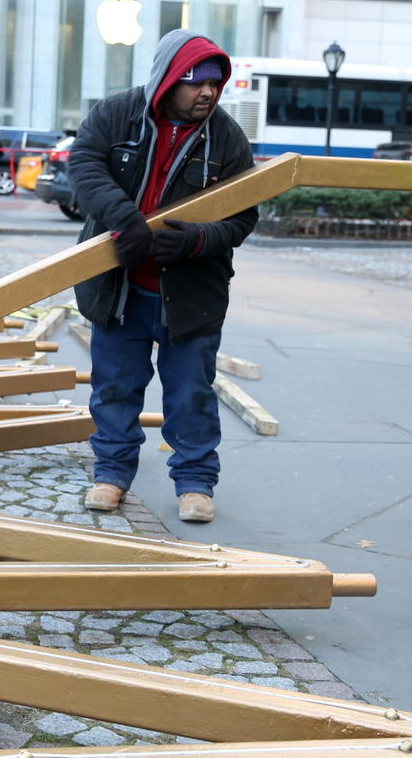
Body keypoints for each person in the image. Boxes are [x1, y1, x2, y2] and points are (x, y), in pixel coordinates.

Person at [68, 30, 257, 523]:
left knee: (191, 394)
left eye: (215, 84)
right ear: (170, 79)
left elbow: (243, 217)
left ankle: (195, 484)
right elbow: (84, 164)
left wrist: (199, 239)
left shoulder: (227, 138)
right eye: (196, 82)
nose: (208, 93)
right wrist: (123, 219)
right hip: (119, 289)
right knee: (114, 388)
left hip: (191, 295)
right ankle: (111, 475)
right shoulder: (117, 114)